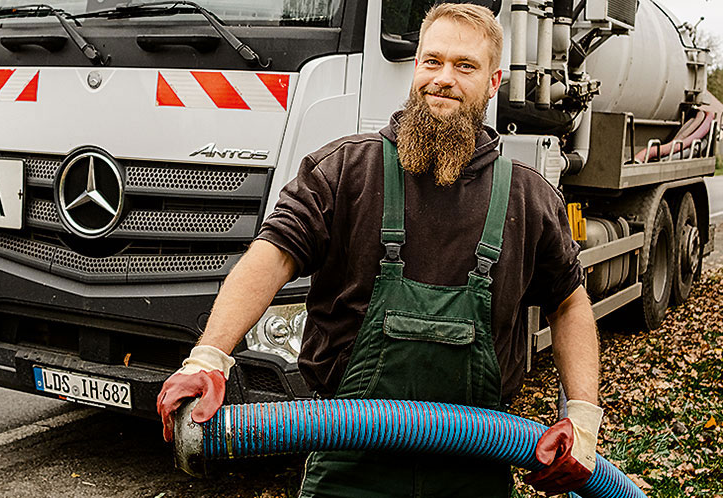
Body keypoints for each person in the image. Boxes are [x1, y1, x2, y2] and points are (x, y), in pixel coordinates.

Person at [157, 3, 602, 497]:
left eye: (465, 66)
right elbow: (273, 253)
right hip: (350, 460)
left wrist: (580, 414)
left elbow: (568, 301)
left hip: (475, 461)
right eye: (432, 61)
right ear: (415, 68)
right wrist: (209, 357)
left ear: (494, 83)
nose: (443, 78)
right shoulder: (345, 169)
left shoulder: (528, 196)